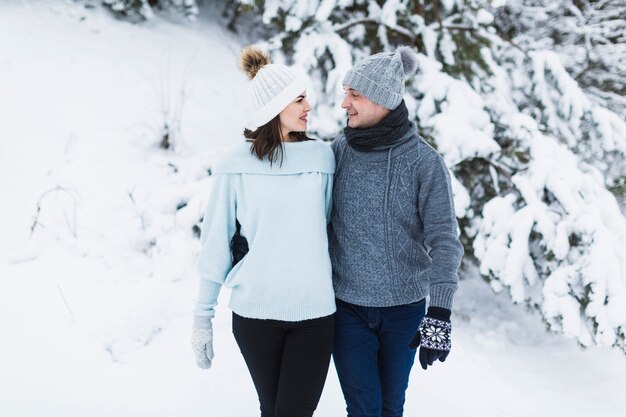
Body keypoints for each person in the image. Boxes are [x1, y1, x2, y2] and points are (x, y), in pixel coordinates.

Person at [191, 47, 336, 417]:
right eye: (299, 99)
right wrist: (202, 317)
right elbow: (215, 244)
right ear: (274, 108)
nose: (309, 107)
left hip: (315, 315)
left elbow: (333, 230)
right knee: (271, 410)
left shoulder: (322, 158)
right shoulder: (233, 165)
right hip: (255, 316)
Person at [328, 46, 464, 417]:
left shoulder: (424, 162)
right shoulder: (337, 153)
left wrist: (439, 313)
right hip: (346, 308)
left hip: (404, 309)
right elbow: (301, 209)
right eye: (345, 93)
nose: (344, 104)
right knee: (364, 408)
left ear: (383, 99)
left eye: (354, 94)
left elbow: (444, 241)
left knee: (391, 407)